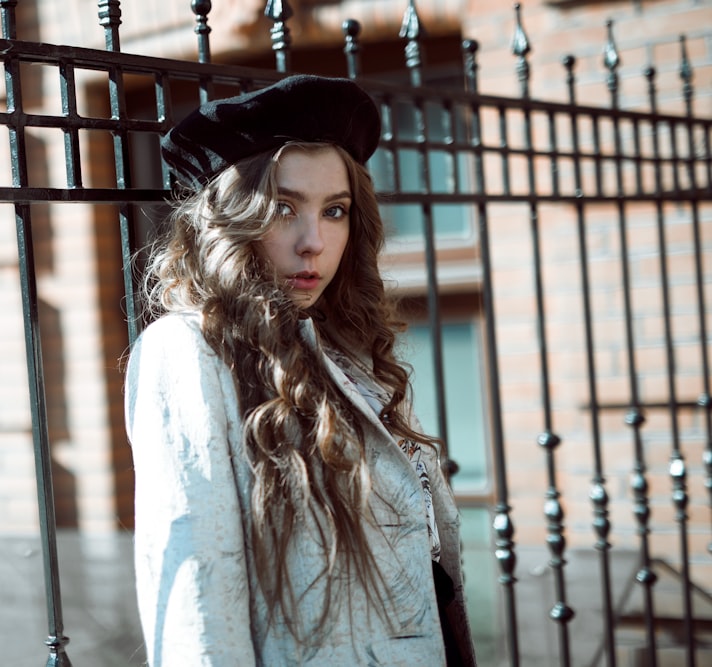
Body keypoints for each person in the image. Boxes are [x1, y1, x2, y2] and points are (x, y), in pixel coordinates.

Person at [124, 74, 476, 666]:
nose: (313, 241)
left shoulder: (350, 350)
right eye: (284, 208)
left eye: (334, 211)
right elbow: (196, 602)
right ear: (233, 219)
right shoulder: (188, 351)